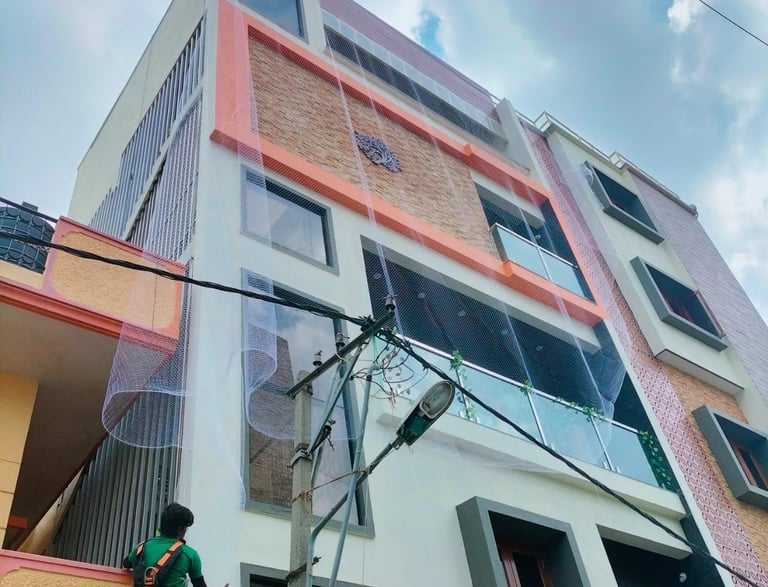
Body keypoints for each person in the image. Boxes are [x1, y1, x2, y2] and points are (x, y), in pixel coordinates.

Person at [123, 502, 208, 587]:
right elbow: (199, 584)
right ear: (180, 530)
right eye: (185, 528)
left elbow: (126, 563)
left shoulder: (141, 548)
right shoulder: (189, 554)